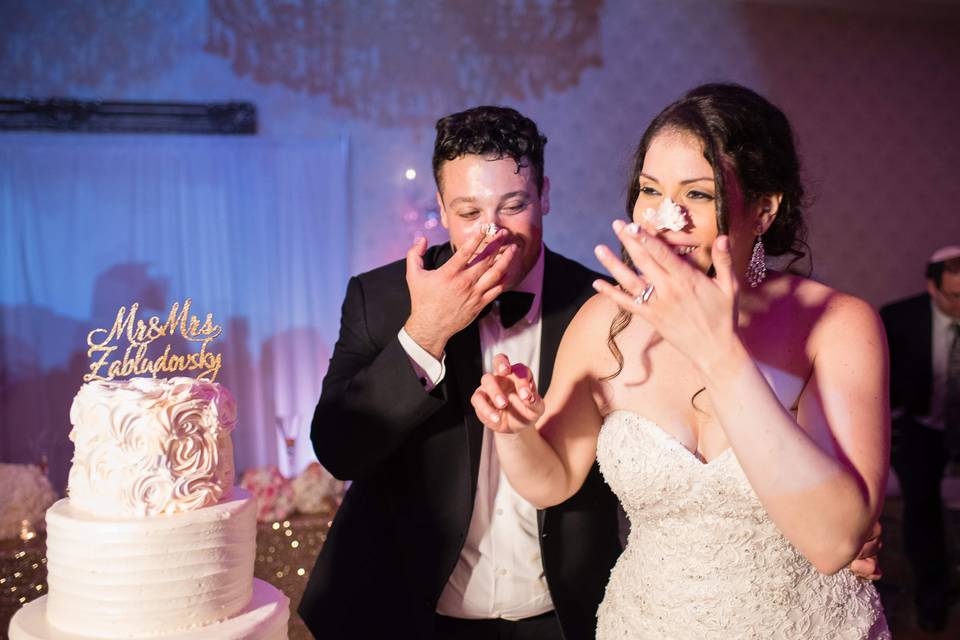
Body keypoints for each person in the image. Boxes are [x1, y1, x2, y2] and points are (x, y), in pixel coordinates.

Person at [471, 84, 891, 638]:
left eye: (698, 194)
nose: (666, 218)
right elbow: (552, 482)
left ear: (763, 210)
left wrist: (718, 352)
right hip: (649, 620)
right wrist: (515, 432)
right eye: (651, 190)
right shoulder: (605, 322)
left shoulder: (837, 325)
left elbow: (835, 542)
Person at [298, 106, 623, 639]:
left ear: (543, 194)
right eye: (469, 211)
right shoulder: (380, 299)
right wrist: (425, 333)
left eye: (513, 205)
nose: (491, 232)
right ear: (443, 211)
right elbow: (339, 450)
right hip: (409, 615)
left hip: (564, 614)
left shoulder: (602, 303)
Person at [881, 245, 960, 632]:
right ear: (933, 288)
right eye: (955, 297)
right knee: (922, 509)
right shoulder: (899, 319)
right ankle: (932, 599)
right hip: (921, 425)